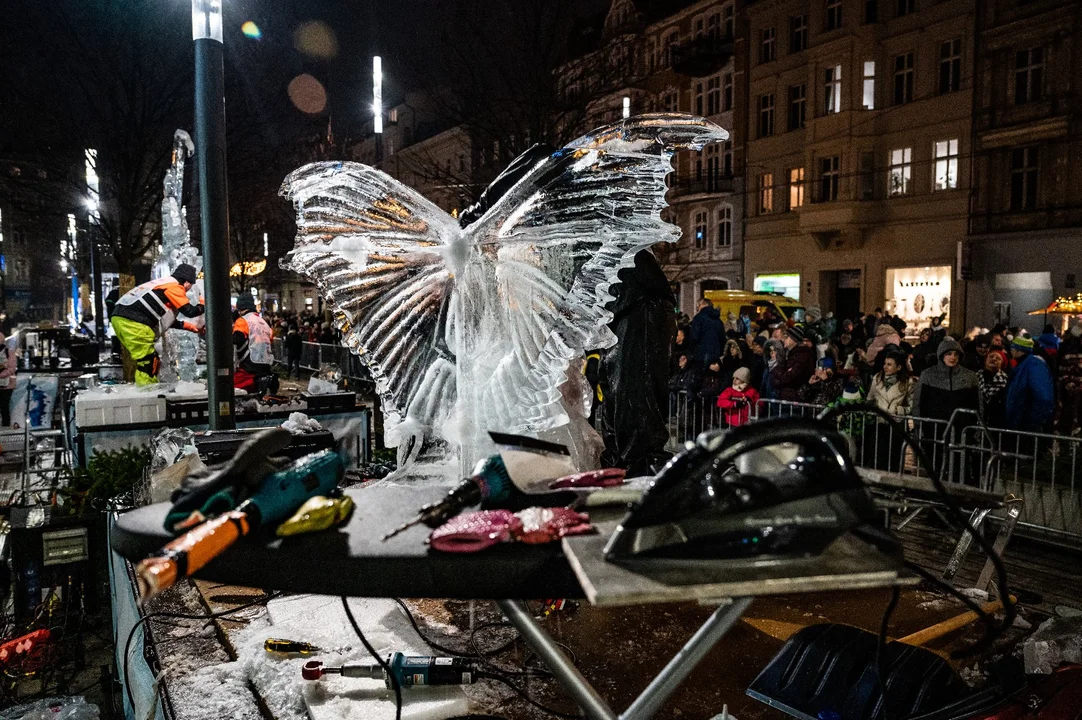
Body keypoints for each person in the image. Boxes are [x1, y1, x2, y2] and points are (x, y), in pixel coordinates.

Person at [110, 264, 204, 385]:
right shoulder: (175, 287)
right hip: (135, 323)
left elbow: (166, 320)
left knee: (147, 360)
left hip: (121, 318)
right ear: (187, 282)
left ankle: (146, 388)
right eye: (191, 285)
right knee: (148, 363)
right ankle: (147, 393)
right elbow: (190, 311)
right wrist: (203, 303)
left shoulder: (162, 283)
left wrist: (191, 327)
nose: (190, 289)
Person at [913, 337, 979, 422]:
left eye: (956, 354)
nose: (953, 357)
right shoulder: (928, 375)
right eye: (949, 354)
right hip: (933, 428)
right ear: (941, 355)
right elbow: (918, 403)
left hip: (962, 428)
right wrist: (919, 426)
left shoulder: (970, 376)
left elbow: (977, 404)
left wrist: (976, 429)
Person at [1005, 335, 1055, 433]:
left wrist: (1032, 420)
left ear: (1020, 350)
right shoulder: (1026, 364)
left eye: (1013, 348)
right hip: (1022, 421)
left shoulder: (1034, 365)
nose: (1011, 351)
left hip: (1028, 424)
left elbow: (1043, 397)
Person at [233, 294, 274, 393]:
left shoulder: (243, 321)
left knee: (231, 389)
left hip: (249, 367)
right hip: (266, 366)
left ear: (240, 308)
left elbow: (237, 339)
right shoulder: (264, 323)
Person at [770, 325, 816, 401]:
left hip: (794, 399)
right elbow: (776, 378)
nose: (783, 340)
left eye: (786, 337)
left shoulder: (802, 356)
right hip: (785, 397)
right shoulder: (790, 354)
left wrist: (779, 368)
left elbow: (786, 378)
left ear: (794, 339)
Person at [977, 349, 1009, 428]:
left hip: (996, 421)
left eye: (998, 358)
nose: (994, 359)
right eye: (991, 356)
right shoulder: (976, 376)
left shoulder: (1006, 380)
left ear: (1002, 363)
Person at [689, 298, 724, 367]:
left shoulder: (698, 318)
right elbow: (722, 339)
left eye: (698, 305)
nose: (697, 308)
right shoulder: (719, 320)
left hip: (701, 357)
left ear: (705, 304)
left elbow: (694, 337)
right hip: (716, 356)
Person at [0, 332, 16, 426]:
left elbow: (12, 368)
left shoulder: (9, 352)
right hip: (7, 384)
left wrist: (2, 374)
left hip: (7, 385)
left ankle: (6, 427)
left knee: (4, 407)